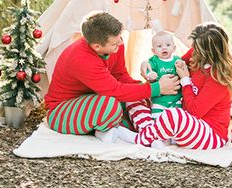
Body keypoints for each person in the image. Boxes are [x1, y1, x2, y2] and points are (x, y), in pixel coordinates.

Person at [44, 11, 180, 138]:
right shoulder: (81, 59)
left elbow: (120, 75)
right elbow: (115, 91)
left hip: (95, 96)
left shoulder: (116, 43)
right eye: (115, 43)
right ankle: (116, 126)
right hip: (61, 109)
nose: (120, 43)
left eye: (120, 38)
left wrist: (147, 85)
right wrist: (157, 88)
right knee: (110, 105)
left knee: (140, 96)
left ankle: (116, 126)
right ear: (97, 46)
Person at [119, 22, 232, 150]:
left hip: (209, 133)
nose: (193, 50)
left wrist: (185, 79)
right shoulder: (196, 54)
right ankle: (155, 136)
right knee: (137, 94)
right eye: (194, 46)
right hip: (181, 123)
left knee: (174, 115)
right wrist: (146, 64)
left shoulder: (219, 79)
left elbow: (194, 112)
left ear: (210, 52)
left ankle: (140, 138)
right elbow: (172, 65)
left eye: (198, 48)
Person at [141, 30, 183, 116]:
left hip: (176, 99)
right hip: (159, 100)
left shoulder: (177, 59)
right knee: (157, 117)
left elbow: (184, 70)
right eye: (159, 46)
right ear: (154, 51)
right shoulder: (154, 61)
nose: (164, 48)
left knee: (177, 117)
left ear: (174, 48)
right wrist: (150, 74)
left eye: (168, 45)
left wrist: (181, 64)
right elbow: (148, 70)